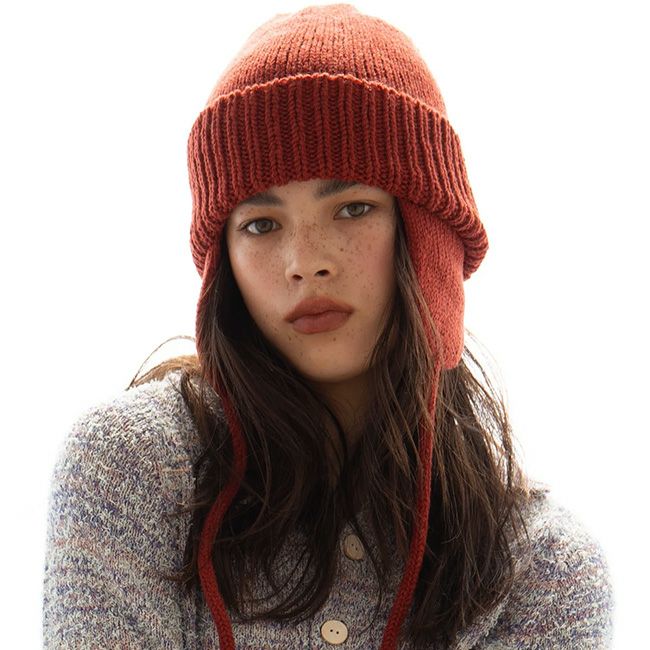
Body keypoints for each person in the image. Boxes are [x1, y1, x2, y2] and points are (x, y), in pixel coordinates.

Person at [41, 4, 615, 649]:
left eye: (353, 208)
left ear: (426, 236)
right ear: (223, 263)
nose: (304, 262)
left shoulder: (542, 569)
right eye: (261, 224)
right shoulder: (132, 467)